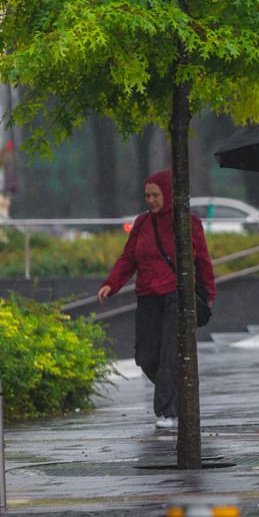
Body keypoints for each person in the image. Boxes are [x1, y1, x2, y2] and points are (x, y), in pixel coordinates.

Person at [98, 170, 216, 429]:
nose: (150, 200)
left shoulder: (187, 222)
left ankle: (167, 413)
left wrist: (208, 294)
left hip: (177, 297)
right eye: (147, 196)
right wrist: (111, 284)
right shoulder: (142, 223)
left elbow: (203, 261)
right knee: (146, 357)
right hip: (148, 299)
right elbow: (128, 258)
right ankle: (178, 392)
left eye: (155, 195)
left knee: (169, 356)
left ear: (168, 193)